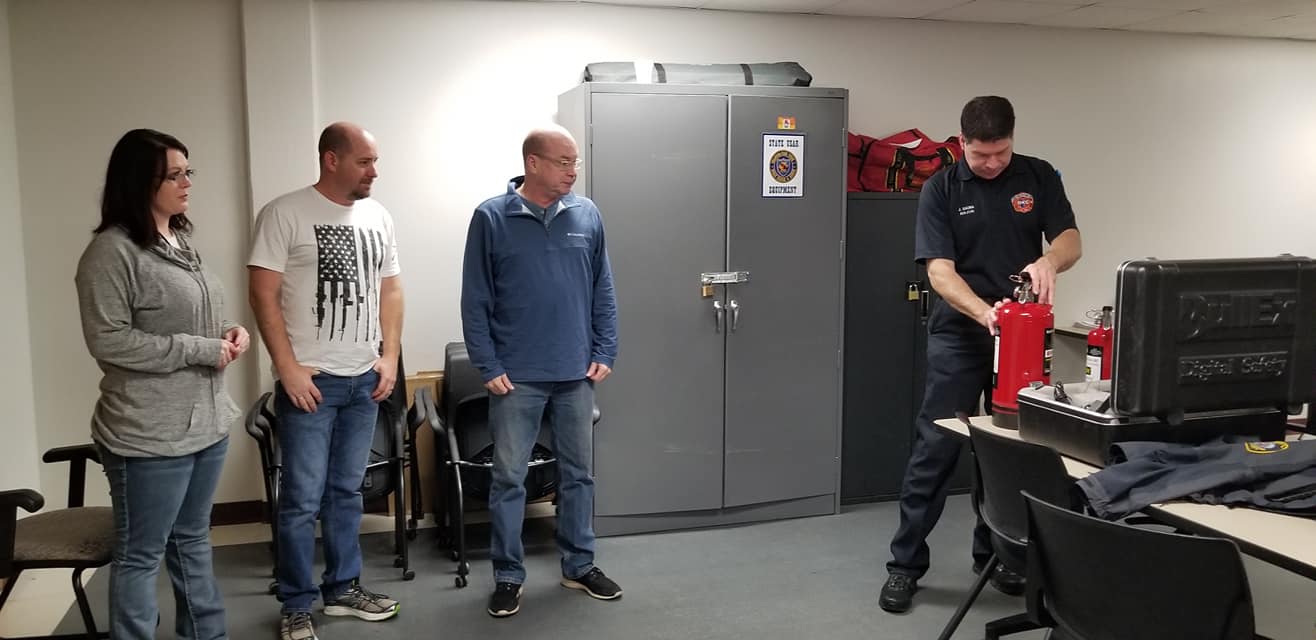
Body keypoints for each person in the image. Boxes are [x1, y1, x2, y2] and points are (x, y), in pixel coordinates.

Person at [879, 96, 1082, 613]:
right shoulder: (941, 188)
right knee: (936, 449)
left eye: (1001, 153)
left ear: (1013, 140)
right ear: (962, 142)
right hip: (961, 333)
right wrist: (982, 312)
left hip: (1021, 336)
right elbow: (940, 272)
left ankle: (997, 556)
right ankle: (905, 566)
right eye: (981, 154)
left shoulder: (1037, 177)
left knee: (1013, 449)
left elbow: (1070, 240)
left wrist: (1048, 261)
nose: (992, 163)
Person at [75, 128, 248, 639]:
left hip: (207, 423)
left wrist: (226, 334)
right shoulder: (110, 252)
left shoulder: (180, 241)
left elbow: (186, 317)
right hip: (147, 435)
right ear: (138, 182)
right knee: (141, 555)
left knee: (192, 539)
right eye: (174, 174)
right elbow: (109, 341)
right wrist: (201, 349)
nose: (187, 182)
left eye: (188, 171)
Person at [248, 122, 404, 640]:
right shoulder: (284, 212)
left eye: (375, 161)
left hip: (364, 380)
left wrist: (390, 357)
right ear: (331, 159)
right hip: (312, 385)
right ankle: (295, 603)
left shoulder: (378, 215)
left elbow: (391, 290)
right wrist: (287, 368)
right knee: (300, 499)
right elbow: (262, 295)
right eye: (364, 161)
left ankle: (342, 590)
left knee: (346, 492)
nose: (374, 172)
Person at [461, 125, 620, 618]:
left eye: (575, 162)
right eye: (563, 161)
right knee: (509, 478)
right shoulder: (491, 217)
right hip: (516, 377)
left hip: (576, 373)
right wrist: (487, 364)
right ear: (533, 163)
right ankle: (508, 576)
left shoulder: (587, 214)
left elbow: (603, 290)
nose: (573, 169)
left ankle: (579, 565)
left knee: (579, 476)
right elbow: (475, 299)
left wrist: (606, 349)